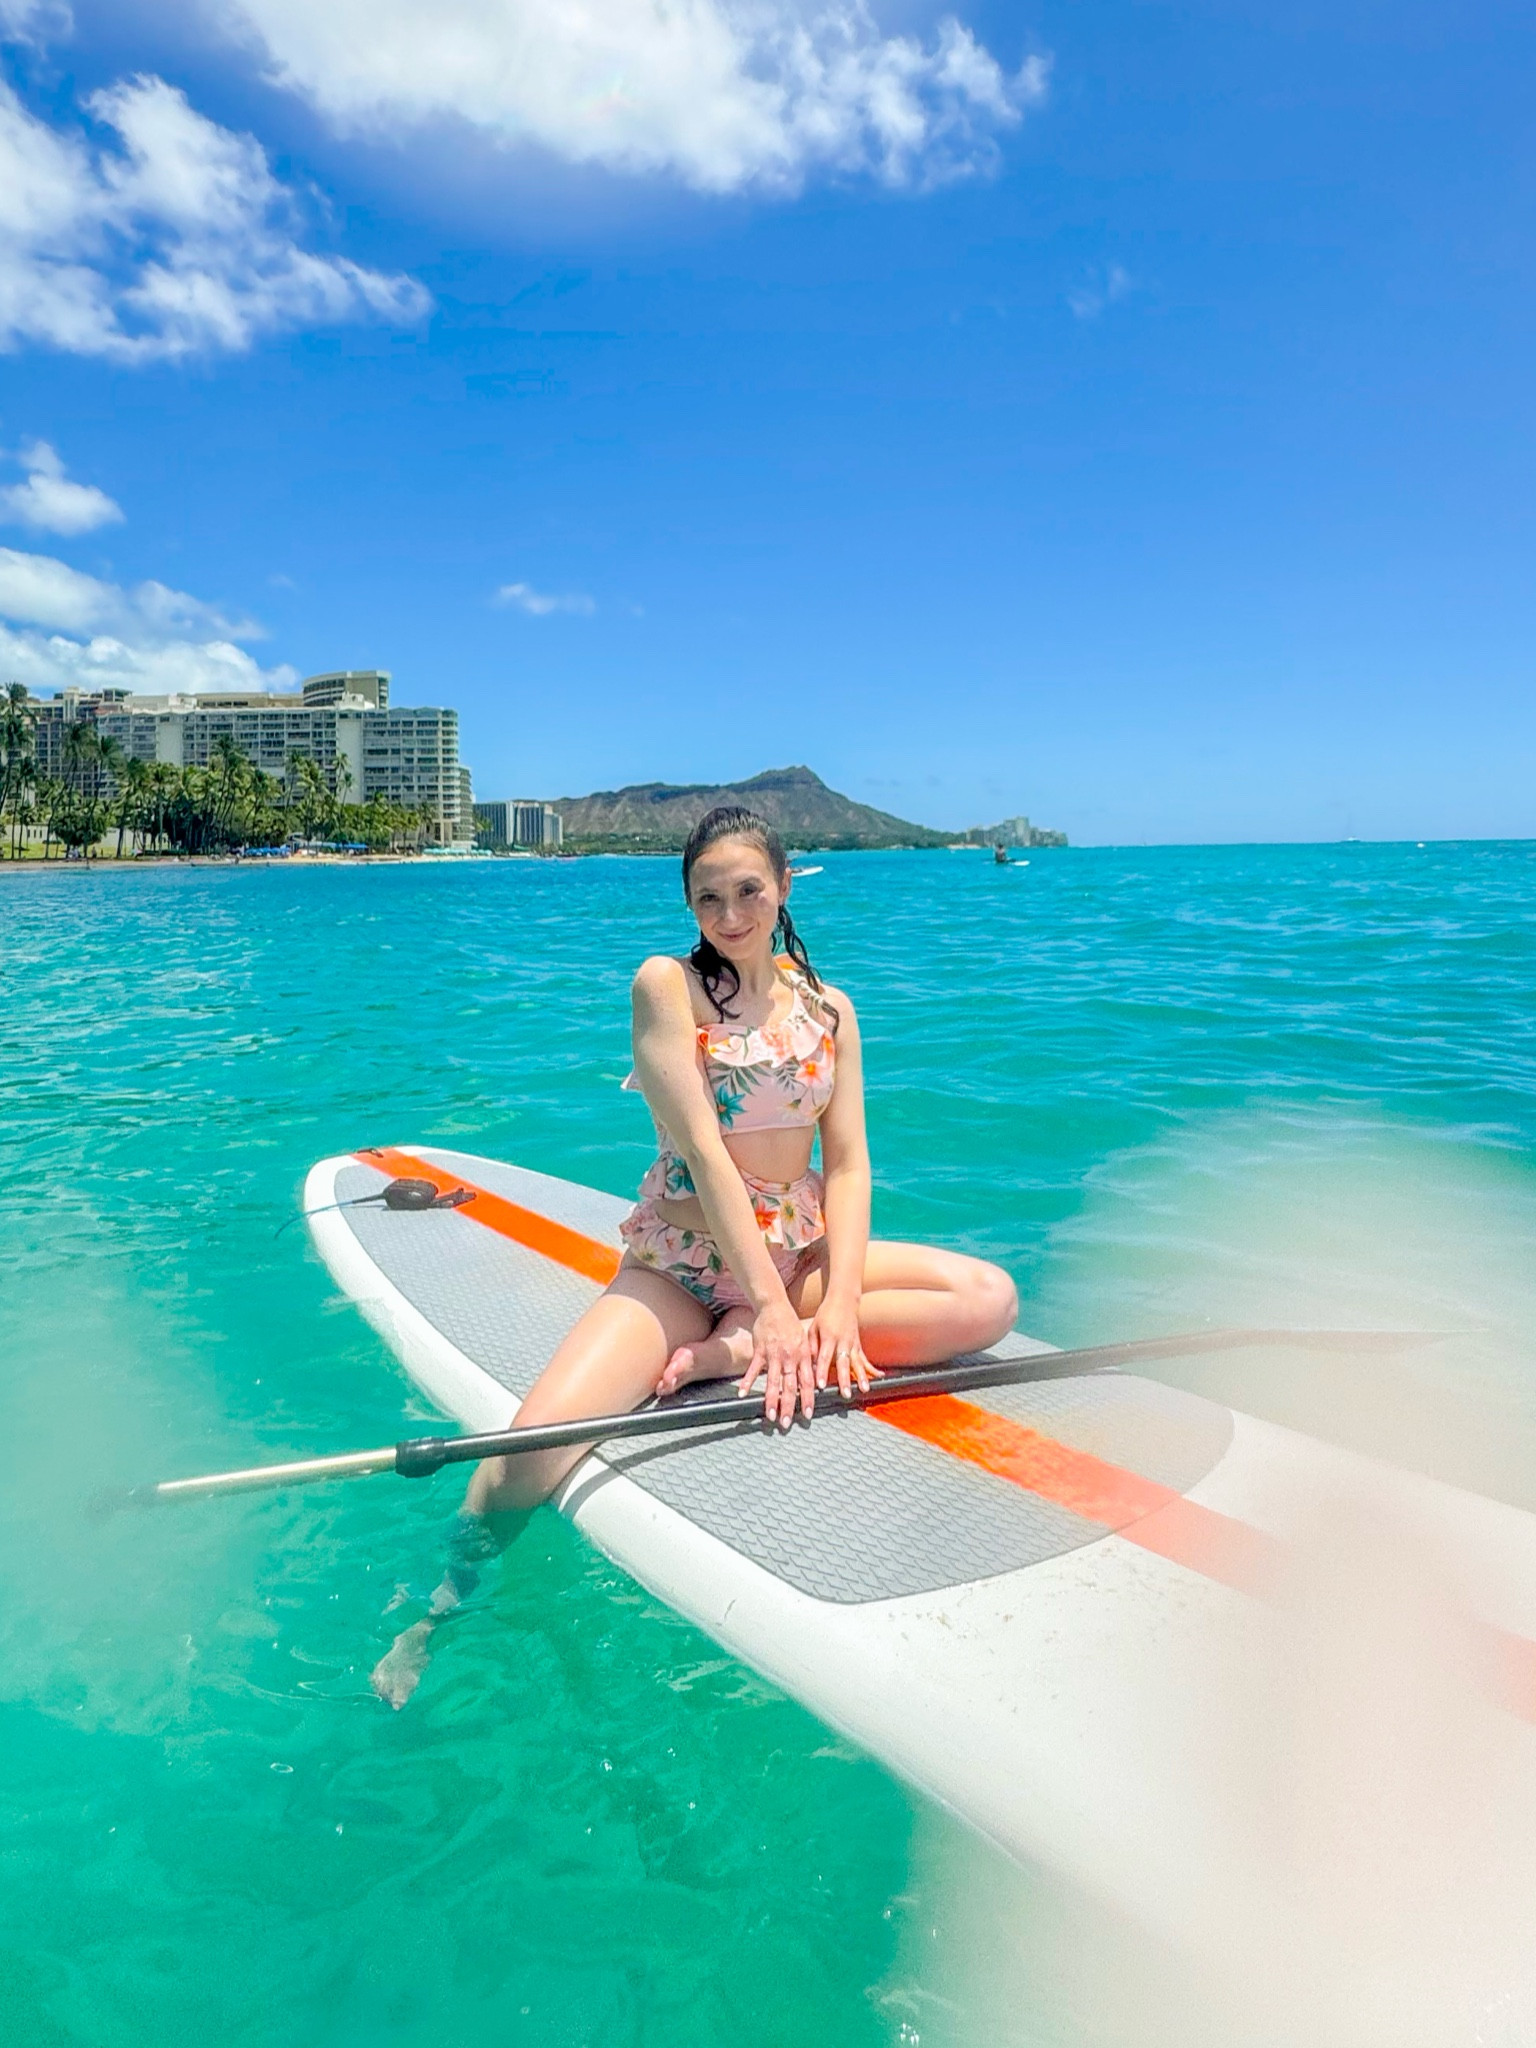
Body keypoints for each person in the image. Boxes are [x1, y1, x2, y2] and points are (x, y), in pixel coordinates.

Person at [370, 805, 1017, 1704]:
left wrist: (826, 1310)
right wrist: (777, 1307)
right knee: (528, 1451)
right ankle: (436, 1612)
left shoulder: (829, 1007)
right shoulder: (665, 987)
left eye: (750, 890)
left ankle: (739, 1348)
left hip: (800, 1254)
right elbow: (706, 1154)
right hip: (688, 1259)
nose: (731, 914)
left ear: (785, 886)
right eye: (707, 896)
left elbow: (853, 1163)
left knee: (987, 1301)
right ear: (689, 904)